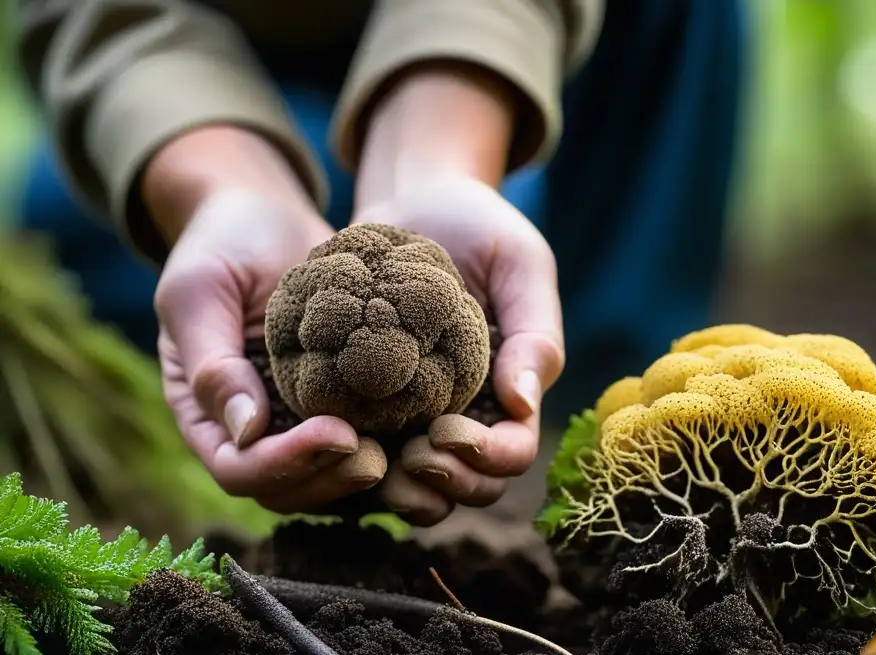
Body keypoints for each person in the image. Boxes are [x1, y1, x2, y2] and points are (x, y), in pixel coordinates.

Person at [15, 0, 746, 524]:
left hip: (514, 46)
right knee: (52, 223)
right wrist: (217, 185)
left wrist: (436, 157)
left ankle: (603, 421)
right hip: (218, 65)